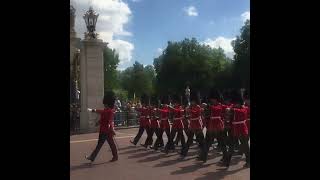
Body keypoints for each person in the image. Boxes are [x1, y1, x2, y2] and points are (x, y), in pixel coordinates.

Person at [85, 91, 118, 162]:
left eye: (105, 104)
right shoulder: (106, 110)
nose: (104, 105)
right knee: (110, 144)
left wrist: (92, 110)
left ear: (108, 103)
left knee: (100, 145)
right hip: (103, 130)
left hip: (106, 130)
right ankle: (115, 156)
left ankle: (92, 157)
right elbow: (103, 118)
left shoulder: (110, 111)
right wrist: (98, 123)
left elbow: (109, 120)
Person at [224, 89, 250, 168]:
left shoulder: (244, 108)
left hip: (242, 129)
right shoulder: (232, 107)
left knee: (245, 146)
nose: (235, 104)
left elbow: (242, 112)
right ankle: (227, 161)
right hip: (233, 129)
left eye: (237, 103)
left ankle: (248, 161)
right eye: (235, 103)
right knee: (231, 146)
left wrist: (232, 109)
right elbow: (228, 117)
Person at [201, 89, 227, 163]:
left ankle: (225, 157)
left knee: (222, 143)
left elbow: (218, 110)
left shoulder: (220, 106)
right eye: (212, 99)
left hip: (218, 126)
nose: (213, 100)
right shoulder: (209, 106)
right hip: (211, 126)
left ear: (217, 99)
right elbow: (206, 116)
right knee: (207, 142)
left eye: (214, 99)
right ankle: (204, 156)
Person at [180, 91, 206, 158]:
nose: (192, 102)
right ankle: (184, 152)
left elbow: (196, 113)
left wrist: (190, 110)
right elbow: (190, 116)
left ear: (195, 101)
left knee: (201, 140)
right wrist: (186, 115)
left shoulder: (197, 107)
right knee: (189, 140)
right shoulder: (190, 107)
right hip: (192, 124)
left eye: (193, 101)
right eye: (191, 101)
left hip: (197, 124)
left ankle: (204, 153)